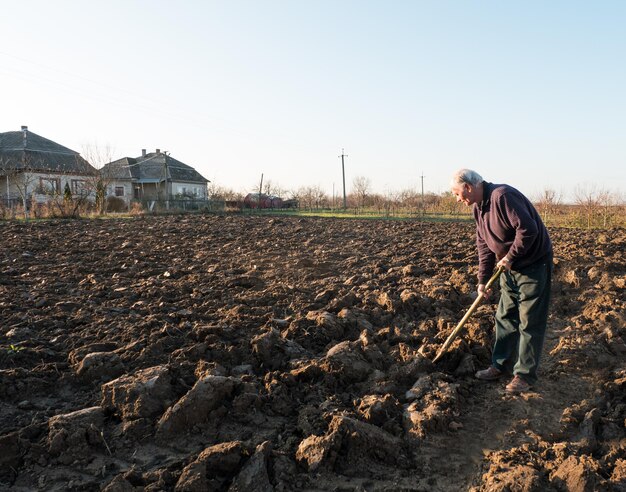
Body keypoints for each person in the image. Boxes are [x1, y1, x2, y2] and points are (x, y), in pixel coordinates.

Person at [450, 169, 553, 394]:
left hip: (533, 265)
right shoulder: (478, 208)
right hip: (508, 268)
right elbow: (484, 245)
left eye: (458, 194)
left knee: (530, 320)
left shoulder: (502, 196)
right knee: (505, 315)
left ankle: (524, 376)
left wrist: (510, 256)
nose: (458, 200)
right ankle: (500, 365)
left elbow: (528, 229)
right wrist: (482, 280)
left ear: (468, 187)